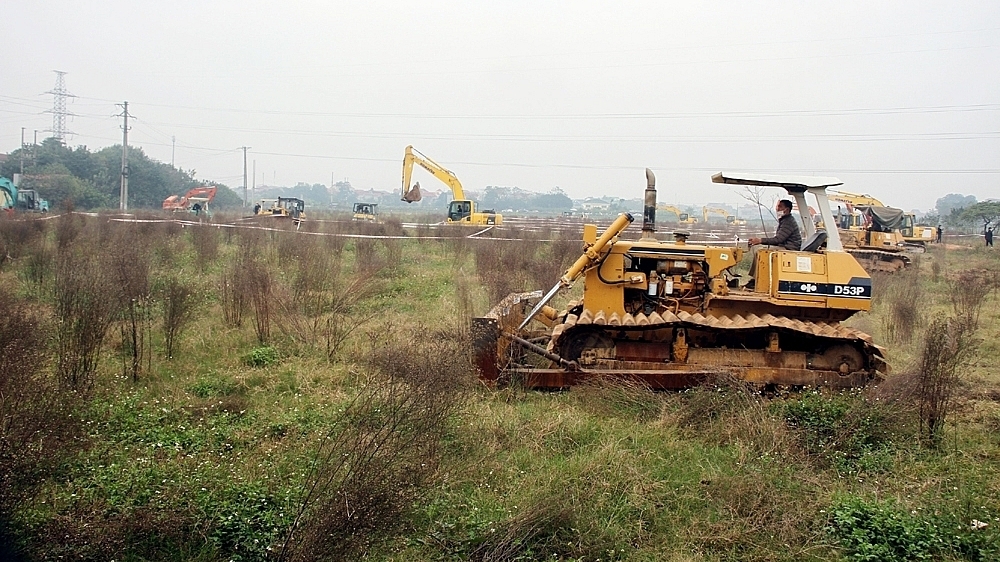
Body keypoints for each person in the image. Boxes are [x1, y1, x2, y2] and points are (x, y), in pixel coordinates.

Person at [744, 199, 802, 290]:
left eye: (780, 207)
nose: (777, 209)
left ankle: (757, 279)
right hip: (786, 246)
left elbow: (779, 239)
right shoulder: (785, 220)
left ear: (786, 209)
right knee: (758, 250)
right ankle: (755, 278)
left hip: (790, 249)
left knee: (762, 252)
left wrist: (760, 240)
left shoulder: (788, 222)